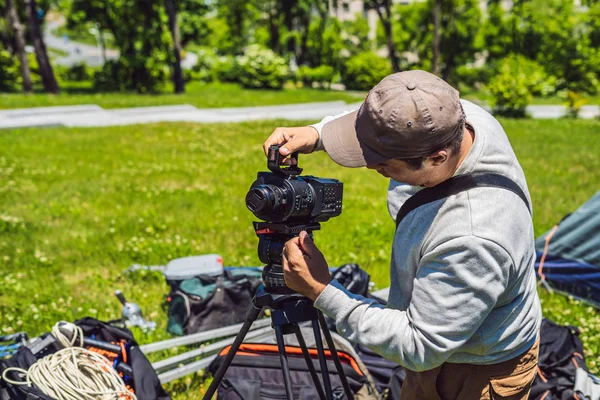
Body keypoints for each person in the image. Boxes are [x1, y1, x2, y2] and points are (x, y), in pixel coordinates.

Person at [263, 70, 542, 400]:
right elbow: (391, 118)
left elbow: (420, 345)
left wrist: (322, 290)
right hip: (443, 353)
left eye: (383, 164)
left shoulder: (473, 236)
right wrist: (318, 133)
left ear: (436, 158)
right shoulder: (454, 117)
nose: (369, 166)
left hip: (472, 370)